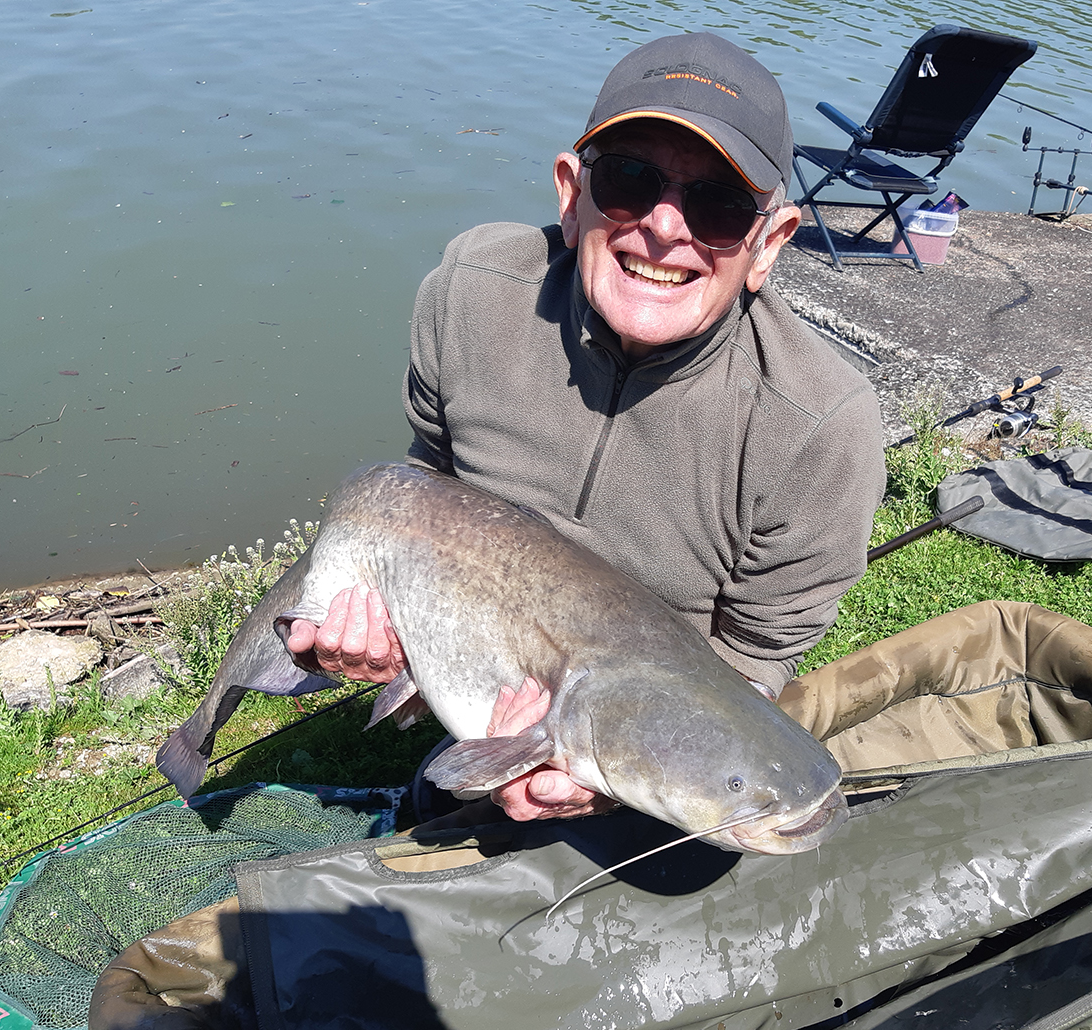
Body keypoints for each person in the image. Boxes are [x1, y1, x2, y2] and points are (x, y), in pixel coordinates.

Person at [286, 32, 887, 823]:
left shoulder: (821, 432)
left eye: (718, 206)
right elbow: (422, 485)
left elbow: (752, 662)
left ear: (769, 243)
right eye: (631, 181)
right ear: (572, 195)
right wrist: (382, 625)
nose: (666, 229)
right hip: (491, 658)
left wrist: (598, 780)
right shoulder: (471, 291)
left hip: (643, 711)